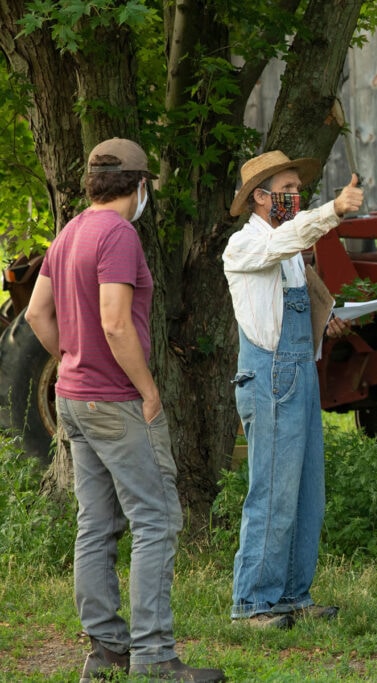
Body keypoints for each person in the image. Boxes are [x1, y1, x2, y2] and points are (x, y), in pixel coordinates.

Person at [25, 138, 224, 682]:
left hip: (73, 397)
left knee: (96, 523)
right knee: (156, 519)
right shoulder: (118, 234)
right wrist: (148, 389)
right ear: (140, 186)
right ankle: (156, 657)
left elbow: (37, 312)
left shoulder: (69, 232)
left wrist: (71, 356)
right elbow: (115, 321)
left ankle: (107, 652)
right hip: (115, 401)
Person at [223, 150, 363, 628]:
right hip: (269, 377)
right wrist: (334, 210)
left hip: (300, 372)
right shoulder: (245, 245)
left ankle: (292, 595)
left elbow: (293, 306)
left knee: (306, 492)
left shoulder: (288, 249)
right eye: (287, 188)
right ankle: (253, 603)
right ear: (261, 198)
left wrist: (328, 323)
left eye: (298, 188)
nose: (296, 195)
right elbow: (287, 242)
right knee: (273, 490)